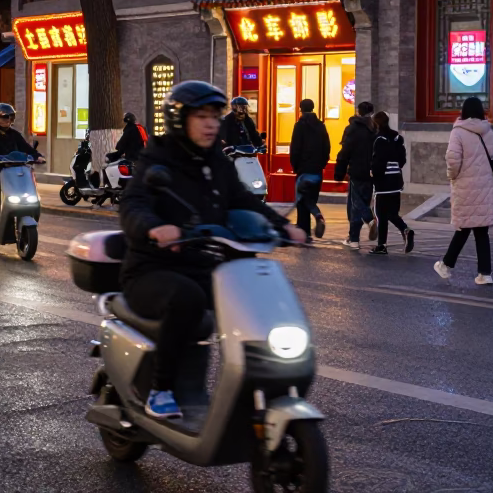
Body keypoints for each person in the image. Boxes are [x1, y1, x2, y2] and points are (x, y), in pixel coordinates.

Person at [119, 80, 305, 420]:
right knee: (187, 299)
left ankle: (252, 385)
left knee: (254, 298)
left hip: (203, 264)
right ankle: (160, 389)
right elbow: (134, 204)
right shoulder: (157, 158)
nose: (210, 124)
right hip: (153, 269)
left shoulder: (216, 160)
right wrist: (153, 227)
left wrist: (282, 226)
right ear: (179, 120)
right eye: (201, 116)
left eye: (214, 117)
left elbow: (242, 199)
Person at [434, 97, 493, 286]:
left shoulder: (458, 132)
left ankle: (446, 265)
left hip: (465, 185)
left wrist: (451, 176)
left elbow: (453, 161)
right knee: (481, 231)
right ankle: (485, 273)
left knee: (463, 227)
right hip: (485, 185)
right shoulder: (489, 131)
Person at [368, 111, 414, 255]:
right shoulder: (397, 137)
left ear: (375, 123)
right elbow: (402, 159)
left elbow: (378, 162)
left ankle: (382, 245)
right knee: (392, 213)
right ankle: (406, 230)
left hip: (383, 181)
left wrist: (373, 174)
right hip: (396, 179)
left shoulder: (378, 139)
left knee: (381, 215)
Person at [334, 100, 378, 249]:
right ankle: (353, 239)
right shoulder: (375, 129)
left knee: (356, 204)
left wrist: (339, 173)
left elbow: (345, 152)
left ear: (358, 111)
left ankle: (369, 220)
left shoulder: (353, 128)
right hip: (372, 172)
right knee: (361, 203)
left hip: (356, 171)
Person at [289, 98, 330, 241]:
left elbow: (295, 148)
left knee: (302, 200)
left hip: (303, 169)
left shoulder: (299, 125)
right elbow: (327, 147)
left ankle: (305, 230)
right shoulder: (321, 126)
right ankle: (307, 228)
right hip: (317, 170)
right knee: (310, 198)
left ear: (300, 109)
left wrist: (295, 166)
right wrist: (322, 164)